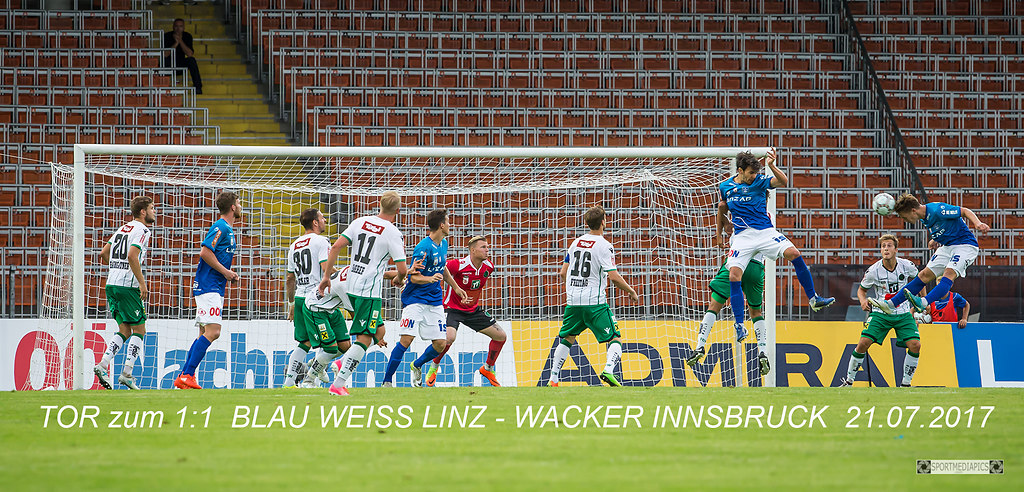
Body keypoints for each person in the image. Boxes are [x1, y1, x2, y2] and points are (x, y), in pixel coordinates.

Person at [718, 148, 834, 341]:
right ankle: (739, 325)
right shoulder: (725, 186)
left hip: (765, 232)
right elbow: (722, 206)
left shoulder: (759, 182)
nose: (754, 176)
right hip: (742, 237)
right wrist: (721, 230)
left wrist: (771, 165)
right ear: (740, 170)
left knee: (795, 253)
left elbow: (783, 182)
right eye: (750, 172)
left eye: (756, 172)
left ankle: (813, 298)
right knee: (734, 275)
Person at [321, 191, 409, 396]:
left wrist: (326, 276)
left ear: (379, 204)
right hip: (368, 292)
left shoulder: (359, 222)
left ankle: (342, 362)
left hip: (349, 286)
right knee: (365, 338)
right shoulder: (392, 232)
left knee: (379, 332)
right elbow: (402, 269)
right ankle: (338, 383)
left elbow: (335, 247)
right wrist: (399, 279)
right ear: (397, 210)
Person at [547, 206, 640, 387]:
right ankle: (608, 370)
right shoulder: (605, 246)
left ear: (586, 223)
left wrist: (575, 288)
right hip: (594, 303)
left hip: (573, 301)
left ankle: (553, 378)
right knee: (615, 337)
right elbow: (613, 277)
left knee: (568, 338)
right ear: (604, 222)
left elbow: (562, 272)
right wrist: (631, 291)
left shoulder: (575, 243)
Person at [381, 209, 467, 388]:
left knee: (441, 343)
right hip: (415, 299)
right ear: (441, 225)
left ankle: (417, 365)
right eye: (448, 222)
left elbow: (442, 269)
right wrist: (429, 278)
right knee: (406, 340)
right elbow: (412, 277)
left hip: (434, 300)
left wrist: (456, 288)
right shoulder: (423, 247)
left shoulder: (443, 244)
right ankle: (387, 381)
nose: (450, 225)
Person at [869, 194, 990, 317]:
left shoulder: (938, 210)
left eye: (904, 217)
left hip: (965, 245)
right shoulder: (923, 217)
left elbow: (964, 211)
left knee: (948, 274)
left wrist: (978, 223)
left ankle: (923, 302)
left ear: (913, 211)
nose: (904, 220)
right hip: (948, 246)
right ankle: (890, 304)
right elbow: (944, 227)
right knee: (924, 275)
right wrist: (935, 239)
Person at [174, 191, 241, 389]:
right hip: (208, 286)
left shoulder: (227, 229)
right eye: (238, 202)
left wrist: (228, 274)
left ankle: (185, 377)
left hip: (214, 286)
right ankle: (187, 374)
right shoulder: (220, 226)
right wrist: (225, 272)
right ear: (232, 207)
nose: (240, 205)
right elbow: (204, 251)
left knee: (203, 332)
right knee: (213, 332)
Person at [840, 234, 924, 387]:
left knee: (915, 345)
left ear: (896, 249)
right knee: (863, 343)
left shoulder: (907, 266)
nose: (886, 248)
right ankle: (849, 381)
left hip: (903, 313)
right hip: (881, 313)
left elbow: (920, 282)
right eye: (883, 246)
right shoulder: (873, 270)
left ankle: (906, 384)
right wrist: (863, 301)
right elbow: (861, 290)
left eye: (889, 245)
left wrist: (923, 302)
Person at [425, 235, 508, 387]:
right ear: (473, 250)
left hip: (473, 310)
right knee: (449, 338)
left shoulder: (488, 267)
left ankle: (488, 369)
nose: (487, 250)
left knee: (501, 336)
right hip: (453, 309)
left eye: (487, 247)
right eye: (483, 247)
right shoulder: (459, 265)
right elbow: (441, 268)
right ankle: (434, 367)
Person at [93, 196, 156, 391]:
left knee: (125, 330)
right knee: (140, 330)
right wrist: (142, 283)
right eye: (152, 208)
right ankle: (127, 374)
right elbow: (132, 256)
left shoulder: (123, 228)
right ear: (143, 211)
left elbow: (103, 254)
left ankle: (103, 365)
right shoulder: (143, 230)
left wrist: (116, 268)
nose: (155, 212)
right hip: (128, 287)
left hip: (111, 284)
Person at [686, 253, 770, 377]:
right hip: (755, 266)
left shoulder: (737, 233)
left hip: (735, 264)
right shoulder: (765, 233)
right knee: (756, 312)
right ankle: (763, 352)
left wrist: (719, 235)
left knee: (713, 307)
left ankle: (700, 346)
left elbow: (728, 232)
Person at [281, 208, 331, 388]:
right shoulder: (321, 241)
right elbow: (326, 268)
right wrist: (344, 274)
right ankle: (312, 378)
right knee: (329, 341)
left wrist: (291, 303)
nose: (325, 220)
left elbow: (289, 278)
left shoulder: (294, 245)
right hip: (316, 299)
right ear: (315, 222)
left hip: (300, 297)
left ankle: (288, 383)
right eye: (322, 218)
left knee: (305, 343)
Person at [164, 18, 203, 94]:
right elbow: (165, 54)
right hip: (168, 64)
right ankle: (162, 86)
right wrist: (176, 43)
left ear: (184, 27)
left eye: (180, 26)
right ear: (173, 27)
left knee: (191, 60)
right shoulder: (167, 36)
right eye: (176, 26)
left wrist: (180, 41)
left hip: (181, 63)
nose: (178, 29)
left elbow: (189, 54)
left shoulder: (187, 36)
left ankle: (198, 87)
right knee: (162, 60)